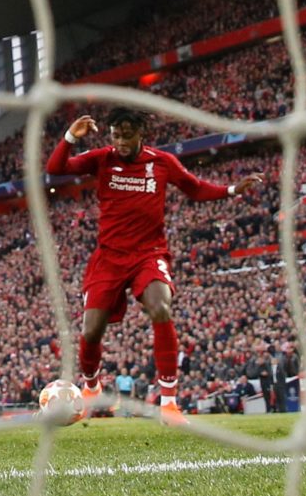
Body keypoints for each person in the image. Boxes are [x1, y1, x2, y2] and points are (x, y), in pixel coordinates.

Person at [45, 108, 263, 425]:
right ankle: (91, 385)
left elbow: (194, 186)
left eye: (127, 135)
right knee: (91, 330)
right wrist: (69, 137)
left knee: (161, 308)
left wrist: (230, 190)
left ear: (139, 134)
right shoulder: (102, 158)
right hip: (109, 258)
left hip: (149, 254)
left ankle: (169, 404)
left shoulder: (161, 162)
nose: (120, 141)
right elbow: (56, 168)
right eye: (116, 135)